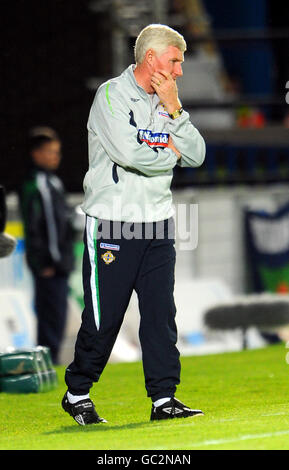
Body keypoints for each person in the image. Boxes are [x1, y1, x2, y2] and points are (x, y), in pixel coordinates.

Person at [62, 24, 206, 425]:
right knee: (104, 318)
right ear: (151, 59)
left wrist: (175, 109)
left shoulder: (168, 101)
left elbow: (197, 154)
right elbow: (130, 154)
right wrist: (171, 155)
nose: (179, 70)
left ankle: (164, 399)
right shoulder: (110, 95)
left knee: (161, 314)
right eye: (175, 61)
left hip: (158, 223)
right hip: (113, 223)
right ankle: (77, 392)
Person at [19, 128, 75, 364]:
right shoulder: (37, 184)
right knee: (50, 318)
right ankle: (47, 364)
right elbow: (41, 227)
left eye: (57, 152)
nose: (55, 157)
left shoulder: (53, 181)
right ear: (37, 154)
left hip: (58, 263)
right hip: (50, 265)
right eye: (50, 152)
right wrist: (48, 261)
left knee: (57, 317)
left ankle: (50, 362)